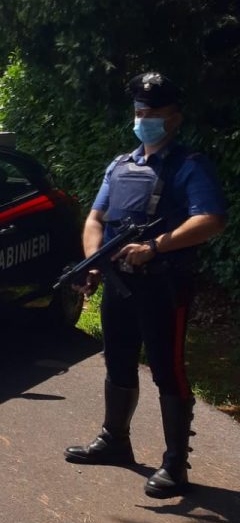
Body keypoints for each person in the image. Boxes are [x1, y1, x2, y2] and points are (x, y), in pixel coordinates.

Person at [64, 72, 227, 498]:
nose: (145, 119)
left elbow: (210, 220)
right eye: (140, 112)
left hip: (164, 286)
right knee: (117, 360)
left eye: (154, 113)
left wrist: (155, 246)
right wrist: (94, 264)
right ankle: (114, 440)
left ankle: (175, 466)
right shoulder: (120, 165)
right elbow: (96, 219)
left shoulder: (189, 166)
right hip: (119, 284)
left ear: (175, 118)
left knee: (166, 369)